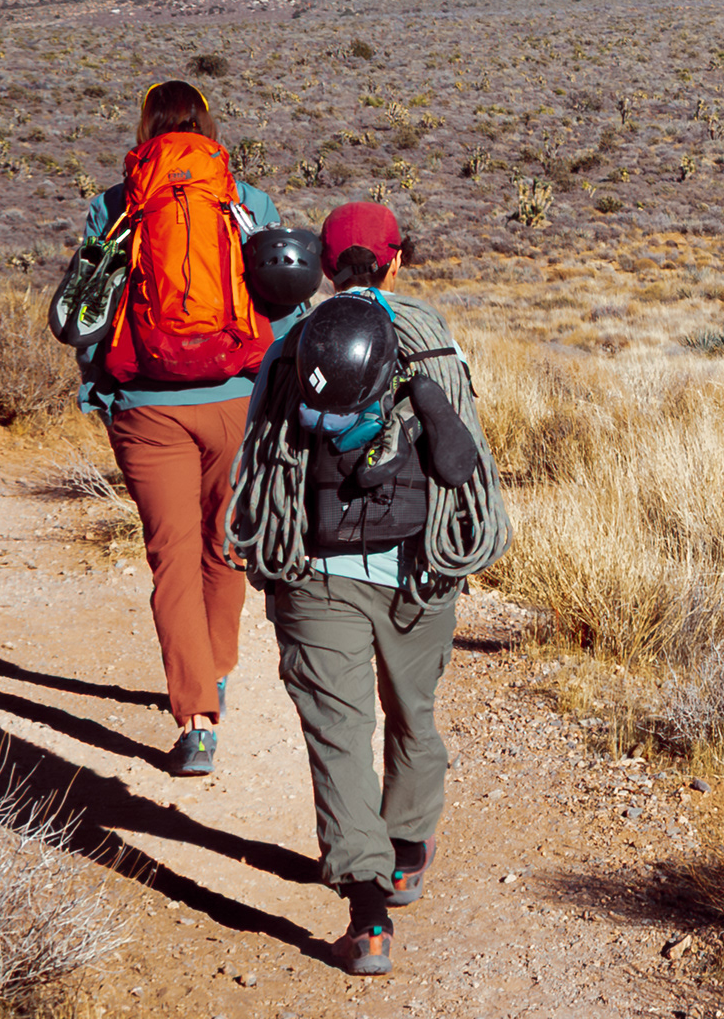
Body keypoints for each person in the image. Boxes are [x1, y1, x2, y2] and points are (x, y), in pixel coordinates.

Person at [228, 202, 506, 978]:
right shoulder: (433, 338)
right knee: (413, 712)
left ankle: (369, 916)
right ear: (396, 260)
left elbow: (261, 460)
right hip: (420, 568)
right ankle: (408, 851)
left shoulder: (293, 349)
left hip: (315, 569)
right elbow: (466, 464)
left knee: (339, 734)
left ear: (323, 261)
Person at [64, 80, 282, 778]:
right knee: (225, 548)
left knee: (173, 558)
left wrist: (102, 388)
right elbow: (285, 305)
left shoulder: (117, 205)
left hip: (147, 405)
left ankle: (196, 722)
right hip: (237, 401)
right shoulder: (245, 203)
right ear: (209, 125)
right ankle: (213, 674)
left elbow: (87, 312)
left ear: (145, 126)